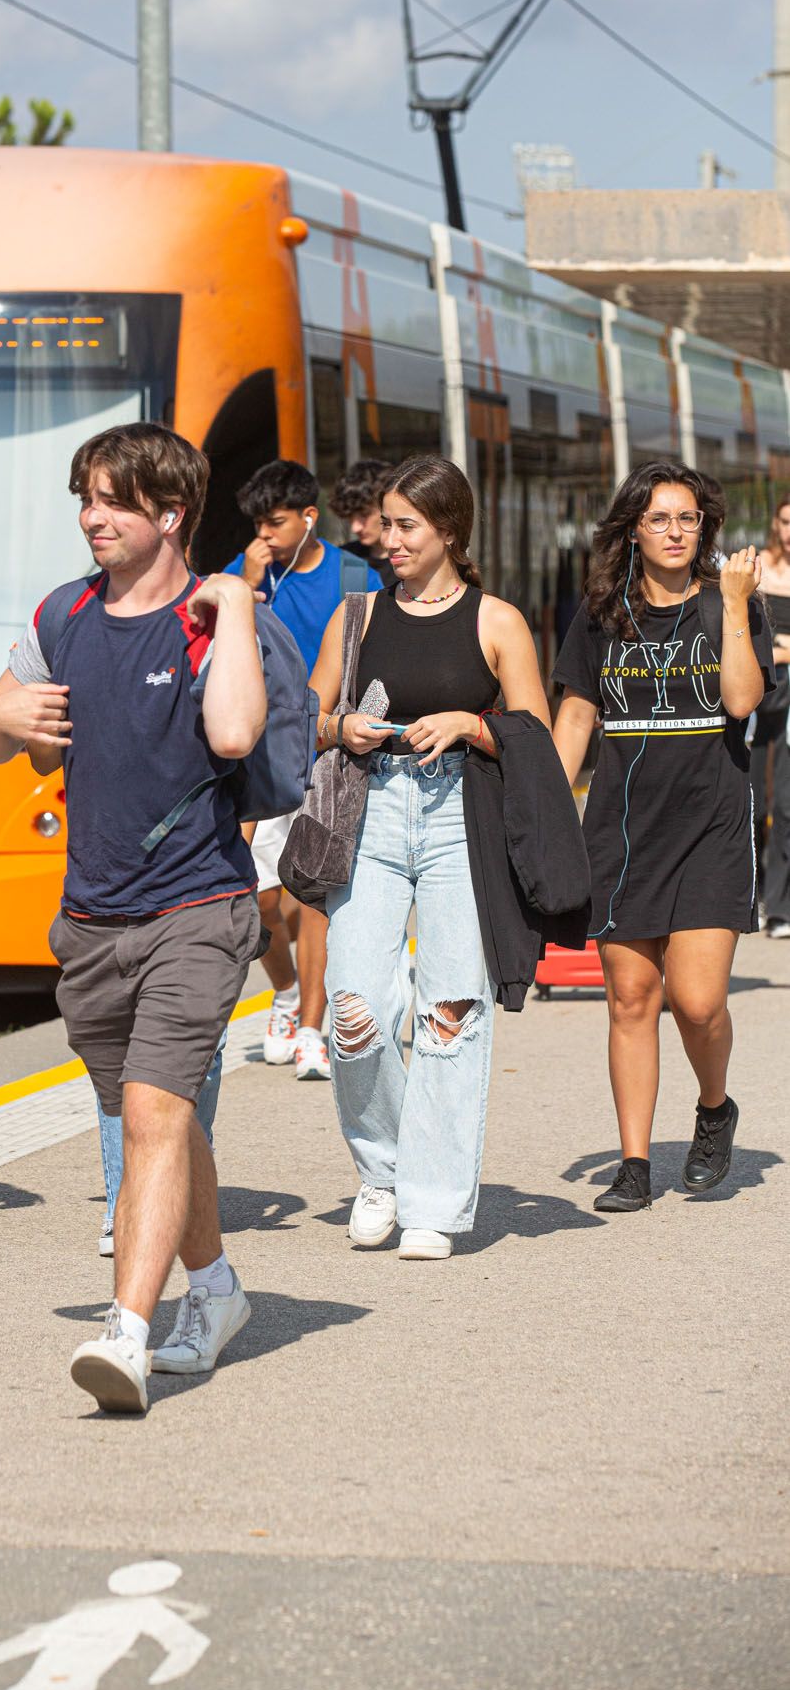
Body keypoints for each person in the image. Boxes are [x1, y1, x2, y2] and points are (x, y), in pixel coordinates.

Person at [0, 421, 266, 1413]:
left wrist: (232, 616)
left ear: (169, 513)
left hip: (200, 905)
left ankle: (127, 1333)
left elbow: (232, 731)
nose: (91, 517)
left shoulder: (213, 617)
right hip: (92, 921)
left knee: (150, 1116)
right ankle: (215, 1290)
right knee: (161, 1120)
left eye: (111, 500)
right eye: (84, 499)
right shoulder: (63, 616)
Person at [309, 456, 550, 1260]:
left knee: (451, 1010)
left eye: (406, 525)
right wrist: (341, 729)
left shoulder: (497, 621)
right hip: (370, 813)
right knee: (353, 1007)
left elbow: (537, 738)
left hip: (458, 818)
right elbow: (310, 717)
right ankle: (382, 1170)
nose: (388, 539)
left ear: (448, 530)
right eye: (385, 523)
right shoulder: (357, 615)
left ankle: (433, 1205)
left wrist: (471, 725)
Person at [552, 463, 773, 1214]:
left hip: (710, 823)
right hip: (620, 826)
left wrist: (738, 607)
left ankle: (713, 1109)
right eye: (659, 519)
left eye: (688, 519)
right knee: (630, 996)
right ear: (632, 531)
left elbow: (741, 700)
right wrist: (549, 809)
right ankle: (634, 1163)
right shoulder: (599, 614)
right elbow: (577, 716)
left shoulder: (727, 604)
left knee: (698, 1000)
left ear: (704, 529)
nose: (675, 532)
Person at [224, 459, 379, 1080]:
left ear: (309, 518)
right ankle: (284, 992)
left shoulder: (354, 575)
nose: (264, 534)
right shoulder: (244, 575)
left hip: (327, 752)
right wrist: (253, 582)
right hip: (260, 755)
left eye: (276, 522)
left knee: (314, 895)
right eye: (257, 523)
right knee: (257, 894)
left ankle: (312, 1026)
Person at [753, 491, 790, 938]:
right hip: (756, 690)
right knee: (750, 803)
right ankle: (754, 895)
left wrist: (778, 649)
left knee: (784, 804)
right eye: (785, 521)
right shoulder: (757, 567)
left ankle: (779, 906)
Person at [331, 457, 397, 587]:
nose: (355, 527)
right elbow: (352, 608)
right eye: (350, 516)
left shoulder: (413, 561)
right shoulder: (344, 559)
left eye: (364, 514)